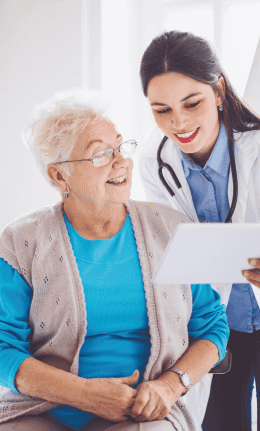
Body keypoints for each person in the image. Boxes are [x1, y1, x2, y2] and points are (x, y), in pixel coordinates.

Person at [0, 88, 229, 431]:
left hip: (141, 413)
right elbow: (3, 346)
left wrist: (169, 385)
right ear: (59, 176)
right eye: (101, 154)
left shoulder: (171, 229)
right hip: (40, 411)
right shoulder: (21, 242)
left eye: (121, 147)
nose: (121, 161)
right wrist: (84, 394)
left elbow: (212, 327)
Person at [138, 30, 260, 431]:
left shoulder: (254, 150)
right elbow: (172, 243)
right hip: (215, 323)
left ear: (219, 90)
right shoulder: (155, 160)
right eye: (162, 110)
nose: (180, 123)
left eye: (192, 103)